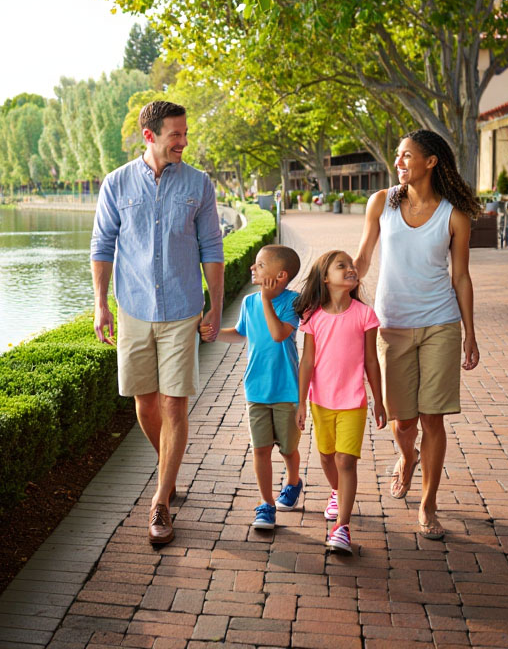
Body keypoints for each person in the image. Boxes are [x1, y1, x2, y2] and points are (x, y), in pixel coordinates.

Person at [91, 100, 225, 546]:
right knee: (145, 405)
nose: (184, 142)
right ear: (150, 136)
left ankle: (160, 502)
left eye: (185, 134)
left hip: (182, 309)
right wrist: (100, 305)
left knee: (174, 406)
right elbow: (102, 247)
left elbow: (212, 248)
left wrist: (215, 305)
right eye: (176, 135)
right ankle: (169, 471)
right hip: (132, 309)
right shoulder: (116, 184)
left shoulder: (199, 185)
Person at [353, 129, 481, 541]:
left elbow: (460, 277)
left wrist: (470, 333)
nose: (399, 162)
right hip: (392, 324)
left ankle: (428, 504)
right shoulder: (383, 202)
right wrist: (337, 290)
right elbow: (364, 256)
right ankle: (405, 456)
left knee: (432, 418)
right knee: (402, 419)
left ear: (431, 161)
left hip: (440, 323)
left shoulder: (453, 215)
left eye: (407, 156)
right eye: (397, 155)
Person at [204, 245, 304, 532]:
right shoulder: (249, 303)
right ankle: (267, 504)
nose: (252, 268)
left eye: (260, 265)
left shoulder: (292, 302)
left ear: (280, 275)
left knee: (287, 449)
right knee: (260, 449)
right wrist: (212, 334)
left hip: (286, 391)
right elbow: (239, 334)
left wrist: (267, 300)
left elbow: (277, 334)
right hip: (256, 390)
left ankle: (293, 481)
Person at [294, 249, 387, 554]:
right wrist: (300, 403)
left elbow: (372, 362)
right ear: (325, 278)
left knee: (345, 461)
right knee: (326, 457)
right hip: (320, 401)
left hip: (353, 402)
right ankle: (336, 491)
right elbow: (307, 362)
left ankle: (342, 528)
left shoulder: (364, 314)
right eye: (341, 265)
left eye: (351, 265)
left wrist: (379, 400)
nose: (350, 268)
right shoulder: (313, 318)